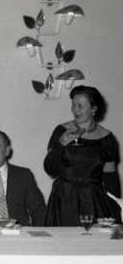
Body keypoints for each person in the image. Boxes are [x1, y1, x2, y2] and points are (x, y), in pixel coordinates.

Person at [44, 85, 121, 226]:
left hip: (94, 201)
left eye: (80, 106)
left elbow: (111, 179)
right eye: (73, 105)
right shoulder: (61, 131)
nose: (75, 110)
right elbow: (50, 170)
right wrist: (61, 144)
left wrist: (117, 212)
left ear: (94, 108)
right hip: (64, 200)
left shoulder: (107, 139)